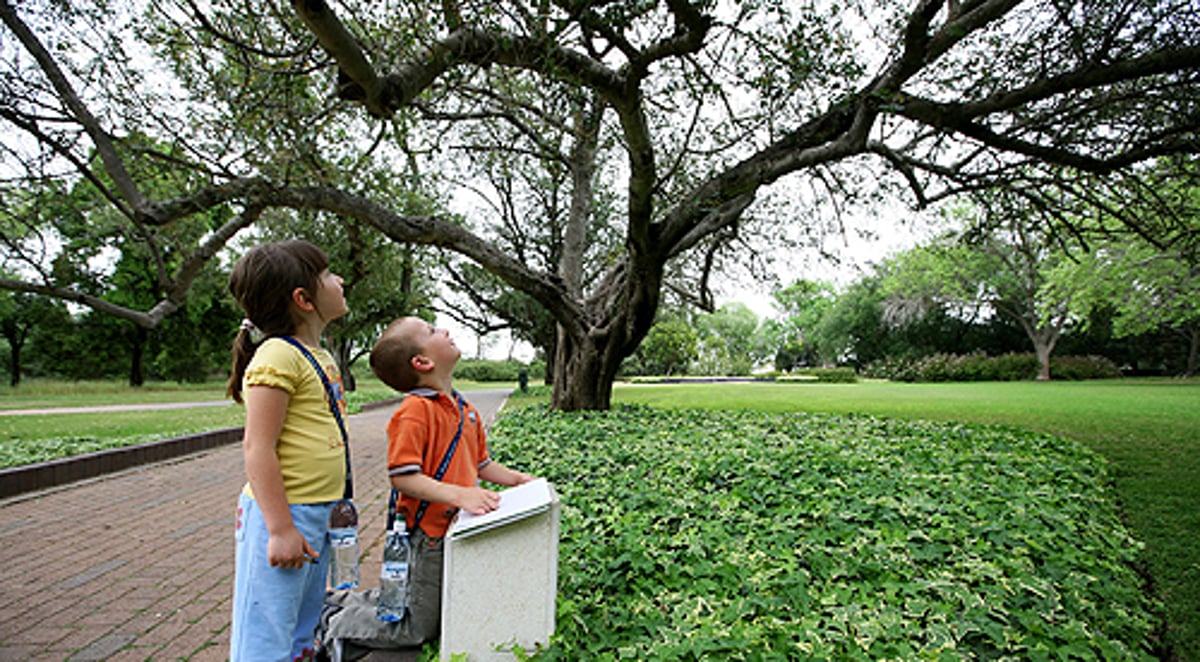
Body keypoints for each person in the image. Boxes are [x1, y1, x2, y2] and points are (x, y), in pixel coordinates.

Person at [315, 317, 534, 659]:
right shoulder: (415, 411)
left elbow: (481, 465)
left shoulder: (465, 410)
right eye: (432, 331)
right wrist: (461, 494)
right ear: (422, 362)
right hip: (426, 535)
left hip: (456, 528)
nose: (444, 331)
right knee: (417, 624)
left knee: (421, 602)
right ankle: (332, 622)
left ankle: (340, 601)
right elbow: (403, 476)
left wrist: (519, 480)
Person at [226, 239, 350, 662]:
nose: (341, 280)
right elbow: (257, 447)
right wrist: (280, 529)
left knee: (303, 624)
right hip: (283, 513)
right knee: (267, 630)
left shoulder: (316, 355)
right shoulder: (277, 355)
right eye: (329, 275)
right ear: (304, 299)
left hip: (316, 511)